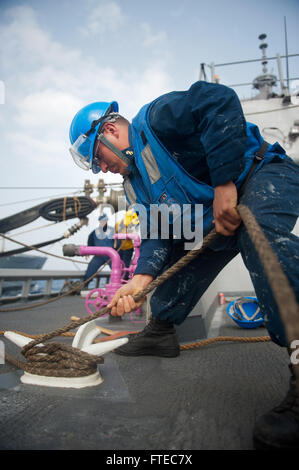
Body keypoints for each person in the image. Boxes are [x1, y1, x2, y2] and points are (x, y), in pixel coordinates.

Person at [69, 81, 299, 449]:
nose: (102, 170)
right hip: (214, 215)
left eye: (99, 158)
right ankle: (160, 332)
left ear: (110, 130)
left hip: (261, 177)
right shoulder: (135, 185)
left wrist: (224, 183)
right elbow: (160, 232)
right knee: (184, 262)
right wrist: (139, 281)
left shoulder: (158, 119)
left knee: (262, 237)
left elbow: (217, 101)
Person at [83, 213, 134, 287]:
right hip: (99, 256)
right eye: (101, 221)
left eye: (104, 220)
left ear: (107, 220)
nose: (103, 222)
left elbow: (119, 243)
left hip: (111, 256)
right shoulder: (94, 232)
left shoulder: (113, 231)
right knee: (91, 269)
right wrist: (87, 252)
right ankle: (85, 284)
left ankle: (122, 285)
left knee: (120, 270)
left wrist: (119, 254)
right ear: (99, 221)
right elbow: (90, 243)